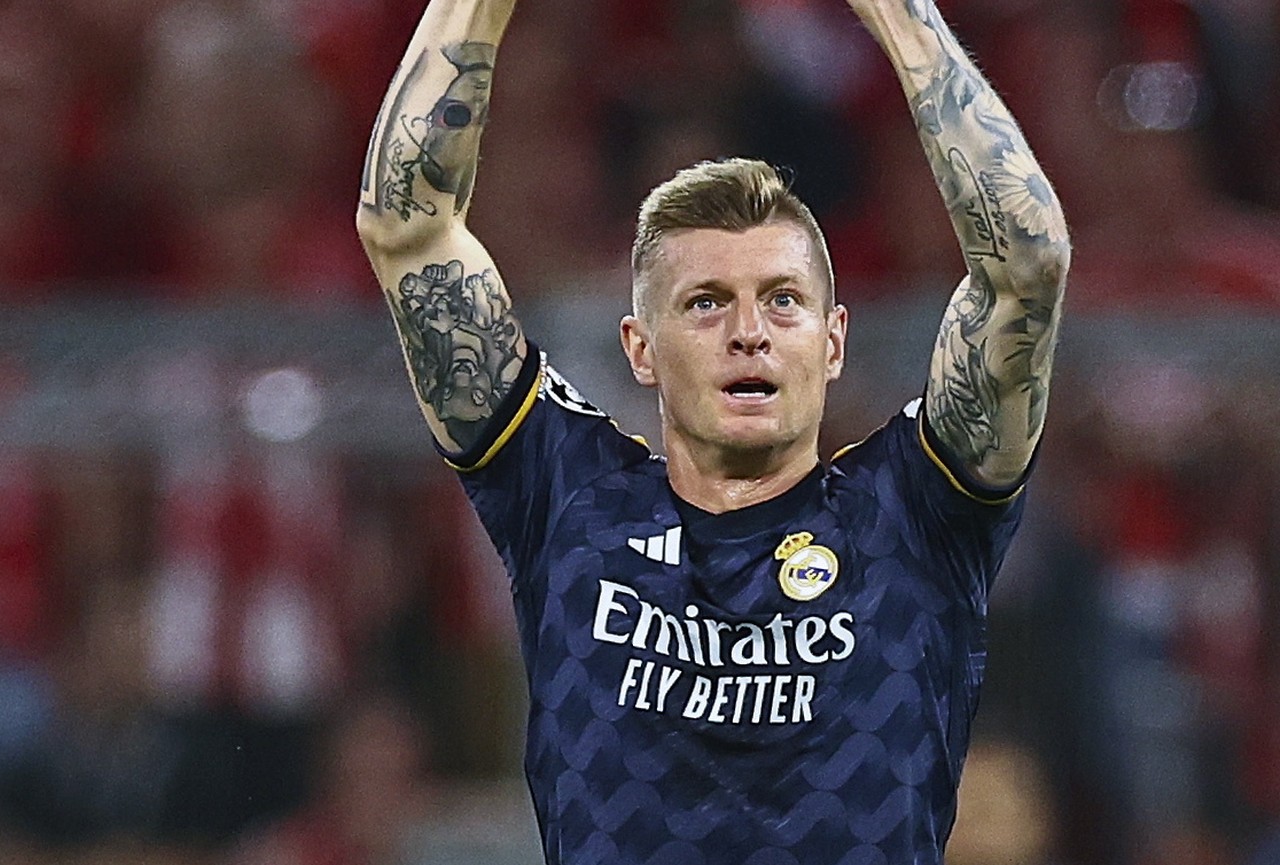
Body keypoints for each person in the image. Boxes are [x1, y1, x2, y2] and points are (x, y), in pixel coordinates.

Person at [354, 0, 1070, 861]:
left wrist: (902, 16)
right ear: (640, 350)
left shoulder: (913, 516)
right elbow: (407, 225)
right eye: (706, 303)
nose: (749, 332)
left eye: (782, 300)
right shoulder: (569, 496)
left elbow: (1025, 267)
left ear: (833, 339)